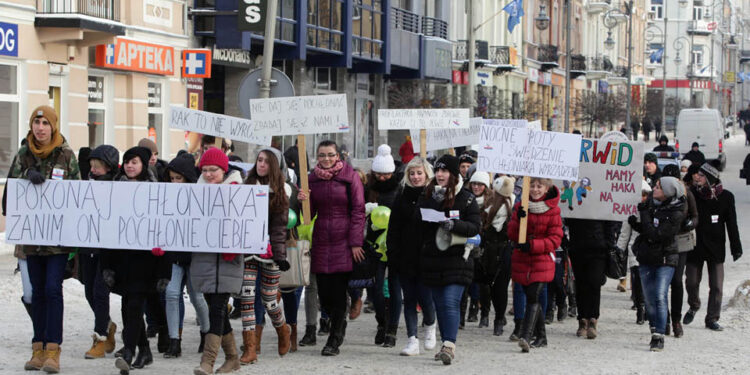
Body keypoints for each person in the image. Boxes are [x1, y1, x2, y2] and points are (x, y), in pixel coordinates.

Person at [10, 106, 80, 373]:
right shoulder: (23, 154)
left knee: (52, 289)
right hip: (31, 238)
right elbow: (13, 190)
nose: (40, 128)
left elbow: (77, 193)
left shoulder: (66, 154)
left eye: (45, 123)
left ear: (53, 126)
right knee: (36, 292)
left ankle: (53, 349)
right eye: (36, 122)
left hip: (57, 240)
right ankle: (37, 348)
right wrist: (26, 176)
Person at [101, 146, 172, 374]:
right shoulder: (114, 189)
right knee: (126, 308)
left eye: (135, 162)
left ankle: (129, 352)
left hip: (147, 261)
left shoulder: (158, 192)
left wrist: (164, 270)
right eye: (127, 162)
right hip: (123, 260)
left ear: (144, 164)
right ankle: (145, 349)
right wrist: (107, 266)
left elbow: (166, 231)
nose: (130, 166)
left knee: (134, 306)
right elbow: (108, 228)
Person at [298, 140, 366, 356]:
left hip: (344, 240)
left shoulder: (350, 177)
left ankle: (334, 338)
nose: (326, 159)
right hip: (321, 238)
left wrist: (356, 242)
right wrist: (303, 201)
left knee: (337, 293)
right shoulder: (312, 179)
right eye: (321, 155)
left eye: (330, 155)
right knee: (324, 294)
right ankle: (340, 316)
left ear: (338, 156)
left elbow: (358, 210)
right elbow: (309, 214)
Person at [418, 154, 480, 364]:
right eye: (437, 171)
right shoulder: (428, 194)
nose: (440, 175)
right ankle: (446, 342)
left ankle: (449, 345)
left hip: (457, 259)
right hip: (433, 259)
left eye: (444, 171)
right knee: (439, 304)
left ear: (453, 174)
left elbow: (474, 226)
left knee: (450, 301)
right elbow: (418, 225)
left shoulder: (467, 198)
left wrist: (454, 225)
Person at [190, 147, 244, 374]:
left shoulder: (238, 191)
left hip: (227, 260)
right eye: (204, 170)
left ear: (224, 169)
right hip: (204, 259)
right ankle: (232, 358)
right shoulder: (195, 193)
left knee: (218, 308)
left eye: (214, 169)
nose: (209, 174)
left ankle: (208, 362)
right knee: (216, 307)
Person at [239, 147, 293, 364]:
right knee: (247, 298)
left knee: (270, 300)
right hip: (249, 251)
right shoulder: (246, 187)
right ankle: (250, 348)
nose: (261, 164)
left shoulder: (281, 192)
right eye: (259, 160)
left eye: (266, 162)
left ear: (275, 167)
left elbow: (280, 228)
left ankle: (282, 330)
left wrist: (280, 255)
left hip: (270, 252)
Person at [386, 157, 437, 356]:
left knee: (425, 298)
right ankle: (412, 339)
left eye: (419, 173)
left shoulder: (434, 195)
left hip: (426, 256)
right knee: (409, 299)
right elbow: (394, 227)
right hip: (404, 255)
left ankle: (431, 325)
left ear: (426, 174)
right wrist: (392, 251)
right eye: (412, 173)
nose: (415, 177)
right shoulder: (401, 196)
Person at [629, 176, 686, 352]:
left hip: (665, 259)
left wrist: (645, 215)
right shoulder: (651, 205)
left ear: (668, 192)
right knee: (649, 298)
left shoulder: (676, 212)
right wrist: (635, 223)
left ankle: (659, 335)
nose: (654, 188)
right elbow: (647, 232)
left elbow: (656, 234)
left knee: (660, 296)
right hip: (647, 257)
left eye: (659, 187)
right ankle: (654, 325)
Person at [162, 153, 210, 358]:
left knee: (197, 297)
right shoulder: (165, 197)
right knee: (171, 294)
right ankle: (174, 340)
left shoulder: (200, 196)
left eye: (178, 178)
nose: (174, 183)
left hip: (194, 254)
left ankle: (206, 334)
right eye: (171, 178)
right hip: (174, 253)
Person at [684, 163, 742, 331]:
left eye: (701, 176)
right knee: (691, 282)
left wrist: (735, 247)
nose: (697, 177)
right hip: (695, 247)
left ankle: (712, 318)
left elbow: (732, 224)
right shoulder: (692, 194)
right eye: (697, 175)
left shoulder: (726, 197)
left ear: (710, 178)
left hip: (716, 248)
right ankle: (694, 305)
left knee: (716, 286)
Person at [508, 178, 563, 352]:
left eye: (539, 186)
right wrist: (518, 218)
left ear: (547, 188)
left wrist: (533, 245)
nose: (535, 189)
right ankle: (542, 337)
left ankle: (525, 334)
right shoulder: (520, 206)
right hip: (523, 258)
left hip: (542, 259)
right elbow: (511, 232)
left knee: (533, 295)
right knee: (532, 296)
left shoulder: (553, 210)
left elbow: (555, 239)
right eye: (532, 185)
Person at [80, 145, 120, 359]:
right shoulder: (85, 185)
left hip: (107, 247)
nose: (94, 170)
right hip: (88, 245)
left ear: (109, 167)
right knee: (88, 291)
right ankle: (107, 325)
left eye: (99, 166)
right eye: (92, 165)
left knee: (99, 291)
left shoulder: (117, 187)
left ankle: (101, 338)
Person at [366, 144, 402, 347]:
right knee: (377, 290)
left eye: (386, 174)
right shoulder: (369, 189)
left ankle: (392, 330)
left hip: (396, 246)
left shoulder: (400, 189)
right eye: (378, 174)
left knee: (395, 288)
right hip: (375, 246)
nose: (382, 178)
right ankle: (382, 323)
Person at [566, 214, 621, 340]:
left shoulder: (601, 201)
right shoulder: (576, 200)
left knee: (594, 284)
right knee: (580, 285)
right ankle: (582, 319)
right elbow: (568, 219)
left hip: (598, 247)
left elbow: (610, 222)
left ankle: (593, 319)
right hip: (578, 245)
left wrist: (608, 244)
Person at [473, 174, 515, 335]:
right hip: (487, 250)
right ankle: (486, 314)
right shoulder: (485, 204)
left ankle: (498, 319)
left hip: (503, 251)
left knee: (500, 288)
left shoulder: (512, 207)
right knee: (484, 285)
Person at [617, 180, 653, 325]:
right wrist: (619, 249)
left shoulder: (653, 210)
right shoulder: (630, 210)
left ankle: (647, 308)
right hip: (635, 250)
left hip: (650, 250)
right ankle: (640, 308)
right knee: (637, 281)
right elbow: (624, 233)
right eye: (640, 195)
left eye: (645, 195)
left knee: (648, 282)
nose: (642, 198)